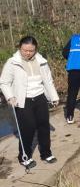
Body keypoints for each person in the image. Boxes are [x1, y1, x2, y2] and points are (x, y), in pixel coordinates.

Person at [0, 36, 59, 169]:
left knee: (43, 126)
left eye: (31, 50)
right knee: (28, 128)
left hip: (39, 97)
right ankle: (24, 156)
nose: (27, 53)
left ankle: (46, 153)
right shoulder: (12, 63)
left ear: (35, 49)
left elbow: (48, 81)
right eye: (24, 50)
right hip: (22, 100)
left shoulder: (41, 61)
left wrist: (53, 96)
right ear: (19, 48)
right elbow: (4, 82)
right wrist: (10, 96)